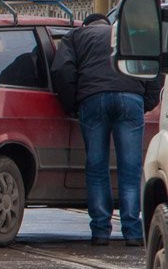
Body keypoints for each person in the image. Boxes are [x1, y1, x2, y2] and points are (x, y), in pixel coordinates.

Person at [51, 13, 164, 246]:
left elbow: (62, 70)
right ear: (108, 24)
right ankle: (133, 231)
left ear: (87, 25)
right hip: (130, 97)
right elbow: (153, 69)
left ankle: (100, 230)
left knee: (96, 166)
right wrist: (145, 101)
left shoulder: (75, 36)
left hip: (93, 100)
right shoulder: (127, 34)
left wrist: (74, 104)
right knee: (130, 169)